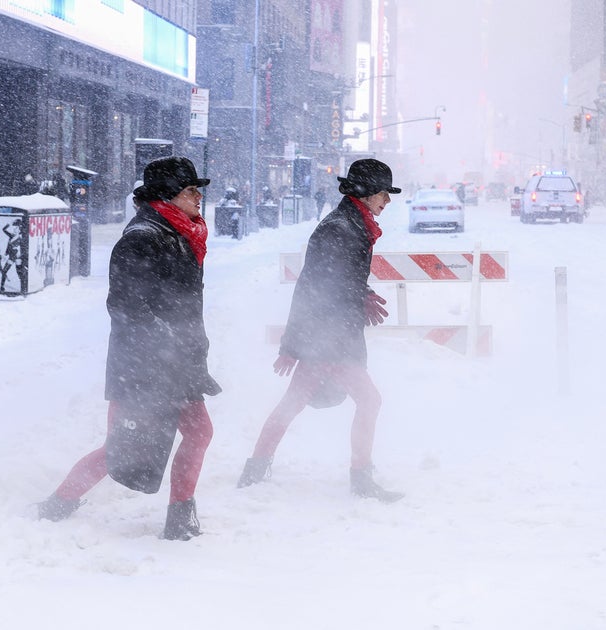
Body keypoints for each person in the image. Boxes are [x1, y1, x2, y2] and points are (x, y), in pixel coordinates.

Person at [38, 156, 221, 540]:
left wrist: (191, 352)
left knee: (199, 431)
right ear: (168, 194)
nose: (198, 197)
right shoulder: (143, 237)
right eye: (191, 190)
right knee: (119, 451)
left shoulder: (180, 233)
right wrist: (168, 345)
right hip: (144, 367)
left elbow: (182, 304)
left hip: (177, 364)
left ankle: (179, 517)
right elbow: (125, 307)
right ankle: (56, 505)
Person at [237, 158, 403, 503]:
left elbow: (341, 279)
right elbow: (315, 285)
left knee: (294, 402)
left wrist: (364, 294)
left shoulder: (352, 223)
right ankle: (360, 477)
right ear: (368, 192)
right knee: (369, 400)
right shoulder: (340, 227)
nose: (387, 201)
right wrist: (292, 345)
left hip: (328, 333)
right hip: (330, 335)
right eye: (384, 194)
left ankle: (255, 468)